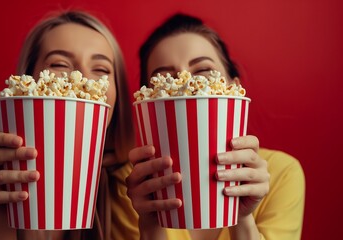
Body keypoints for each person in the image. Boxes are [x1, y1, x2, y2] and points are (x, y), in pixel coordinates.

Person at [0, 10, 139, 240]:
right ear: (27, 80)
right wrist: (5, 221)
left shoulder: (130, 183)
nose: (81, 78)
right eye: (59, 64)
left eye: (101, 69)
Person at [125, 13, 305, 240]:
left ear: (234, 87)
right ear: (146, 99)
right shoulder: (133, 186)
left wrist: (242, 218)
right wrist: (151, 227)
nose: (187, 83)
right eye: (165, 80)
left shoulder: (281, 172)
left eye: (202, 72)